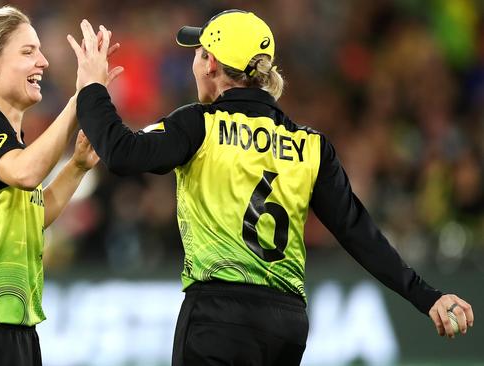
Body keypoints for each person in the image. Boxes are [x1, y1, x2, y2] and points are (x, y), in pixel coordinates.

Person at [67, 10, 475, 366]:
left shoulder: (199, 124)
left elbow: (121, 153)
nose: (194, 62)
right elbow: (359, 233)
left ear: (210, 63)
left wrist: (91, 86)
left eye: (197, 53)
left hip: (217, 315)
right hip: (286, 326)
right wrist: (428, 297)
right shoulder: (310, 145)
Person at [0, 6, 120, 366]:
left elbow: (34, 214)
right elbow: (27, 173)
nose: (43, 62)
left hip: (10, 333)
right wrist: (82, 95)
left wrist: (77, 167)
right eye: (28, 51)